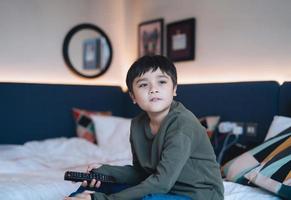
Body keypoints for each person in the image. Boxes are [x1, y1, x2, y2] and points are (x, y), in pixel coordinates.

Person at [65, 55, 224, 200]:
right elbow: (142, 173)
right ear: (133, 97)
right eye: (143, 85)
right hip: (162, 187)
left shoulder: (183, 124)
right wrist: (106, 171)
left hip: (198, 195)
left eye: (161, 82)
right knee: (102, 185)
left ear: (174, 89)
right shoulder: (137, 124)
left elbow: (162, 182)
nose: (153, 89)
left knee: (146, 199)